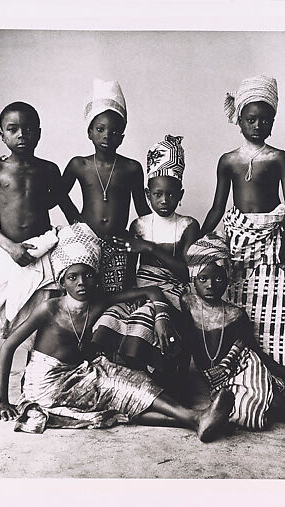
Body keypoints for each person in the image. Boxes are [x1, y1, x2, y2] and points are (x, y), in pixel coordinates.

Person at [0, 224, 235, 442]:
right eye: (73, 277)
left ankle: (197, 419)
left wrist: (161, 317)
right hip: (47, 385)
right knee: (116, 388)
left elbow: (151, 291)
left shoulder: (98, 302)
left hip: (79, 373)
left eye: (88, 275)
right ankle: (195, 418)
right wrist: (2, 399)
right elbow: (7, 347)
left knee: (130, 383)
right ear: (62, 281)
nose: (81, 283)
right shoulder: (50, 309)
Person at [0, 101, 77, 411]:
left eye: (29, 129)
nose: (22, 135)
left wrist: (81, 238)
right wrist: (11, 247)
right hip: (10, 253)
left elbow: (68, 210)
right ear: (2, 135)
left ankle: (38, 379)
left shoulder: (48, 170)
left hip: (42, 251)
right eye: (13, 129)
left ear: (40, 133)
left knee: (46, 317)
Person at [200, 75, 285, 367]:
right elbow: (217, 208)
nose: (258, 125)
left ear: (273, 122)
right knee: (241, 301)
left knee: (277, 304)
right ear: (239, 120)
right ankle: (244, 365)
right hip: (238, 244)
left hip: (272, 242)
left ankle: (280, 370)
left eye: (264, 120)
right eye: (251, 119)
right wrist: (198, 239)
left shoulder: (279, 158)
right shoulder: (228, 161)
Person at [181, 234, 285, 431]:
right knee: (260, 409)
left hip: (243, 366)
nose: (211, 285)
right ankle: (229, 410)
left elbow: (254, 350)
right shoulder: (188, 304)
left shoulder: (235, 314)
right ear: (193, 278)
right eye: (203, 279)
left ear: (227, 279)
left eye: (218, 278)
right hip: (219, 377)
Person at [93, 135, 199, 392]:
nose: (164, 201)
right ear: (147, 195)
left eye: (171, 195)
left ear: (181, 195)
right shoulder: (139, 225)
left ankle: (164, 377)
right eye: (158, 194)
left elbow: (187, 273)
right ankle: (128, 378)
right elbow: (130, 271)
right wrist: (133, 294)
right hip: (142, 287)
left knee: (149, 317)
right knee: (113, 316)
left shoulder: (187, 225)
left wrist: (149, 248)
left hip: (173, 290)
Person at [60, 79, 151, 294]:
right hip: (86, 240)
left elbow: (142, 210)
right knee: (85, 294)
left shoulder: (131, 168)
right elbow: (59, 194)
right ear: (89, 131)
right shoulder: (79, 164)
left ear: (122, 137)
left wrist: (137, 237)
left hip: (118, 243)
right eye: (100, 129)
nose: (107, 136)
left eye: (114, 131)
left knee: (117, 295)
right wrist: (76, 222)